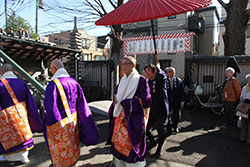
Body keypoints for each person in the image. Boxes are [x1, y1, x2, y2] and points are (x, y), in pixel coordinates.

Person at [43, 59, 99, 167]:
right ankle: (72, 162)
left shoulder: (53, 85)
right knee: (72, 143)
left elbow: (51, 108)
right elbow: (82, 105)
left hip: (59, 121)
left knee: (61, 148)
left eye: (50, 69)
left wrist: (51, 125)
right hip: (73, 120)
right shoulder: (74, 82)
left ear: (55, 69)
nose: (51, 72)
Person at [107, 56, 151, 167]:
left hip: (131, 119)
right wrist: (116, 100)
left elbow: (145, 100)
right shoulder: (122, 80)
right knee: (119, 144)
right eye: (122, 64)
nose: (123, 66)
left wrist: (125, 103)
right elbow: (118, 96)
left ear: (133, 65)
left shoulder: (140, 80)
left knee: (130, 144)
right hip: (120, 118)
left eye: (127, 64)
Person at [0, 64, 43, 164]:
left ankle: (6, 156)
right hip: (21, 115)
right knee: (22, 135)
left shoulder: (0, 84)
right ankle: (24, 156)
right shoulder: (22, 83)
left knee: (7, 136)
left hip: (5, 117)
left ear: (2, 72)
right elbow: (31, 103)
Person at [144, 64, 169, 158]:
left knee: (160, 131)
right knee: (146, 129)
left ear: (154, 71)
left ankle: (159, 150)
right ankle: (153, 143)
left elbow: (162, 76)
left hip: (161, 110)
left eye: (149, 71)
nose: (147, 73)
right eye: (146, 71)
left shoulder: (160, 80)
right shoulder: (147, 82)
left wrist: (158, 68)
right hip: (151, 110)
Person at [166, 67, 185, 133]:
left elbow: (182, 92)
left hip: (176, 100)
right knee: (167, 115)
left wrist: (182, 101)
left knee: (176, 115)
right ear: (167, 73)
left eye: (172, 72)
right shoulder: (165, 81)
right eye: (169, 72)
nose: (171, 73)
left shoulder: (178, 81)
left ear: (175, 72)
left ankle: (175, 126)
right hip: (167, 101)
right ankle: (169, 128)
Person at [236, 74, 250, 145]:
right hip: (244, 108)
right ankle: (243, 138)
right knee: (243, 124)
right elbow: (241, 96)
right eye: (248, 79)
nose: (248, 81)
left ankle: (248, 140)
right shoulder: (245, 88)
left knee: (249, 124)